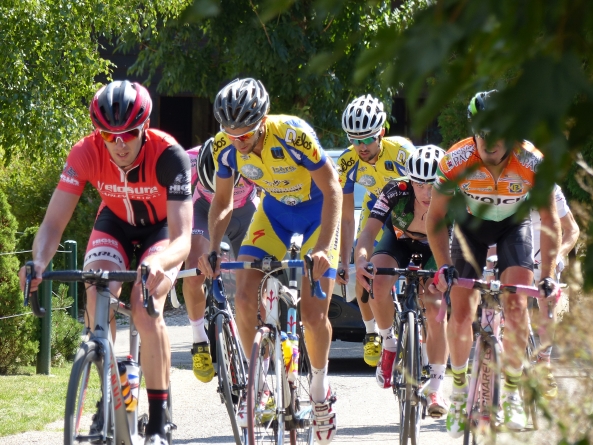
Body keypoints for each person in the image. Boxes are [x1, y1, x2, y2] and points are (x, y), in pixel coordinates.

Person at [18, 80, 192, 445]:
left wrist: (160, 261)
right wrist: (37, 262)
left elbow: (181, 237)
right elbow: (53, 223)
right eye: (109, 135)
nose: (120, 143)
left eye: (129, 133)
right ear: (98, 134)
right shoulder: (84, 152)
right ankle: (109, 394)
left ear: (144, 128)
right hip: (113, 222)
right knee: (97, 294)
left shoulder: (169, 155)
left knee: (145, 307)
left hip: (161, 231)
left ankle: (159, 420)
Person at [197, 78, 342, 445]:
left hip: (316, 216)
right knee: (244, 295)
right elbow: (223, 201)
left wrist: (324, 246)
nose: (238, 140)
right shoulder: (224, 148)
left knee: (312, 313)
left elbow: (332, 188)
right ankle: (258, 384)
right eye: (231, 133)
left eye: (245, 133)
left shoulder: (292, 133)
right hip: (275, 217)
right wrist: (213, 248)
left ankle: (320, 390)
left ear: (263, 120)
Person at [427, 90, 561, 436]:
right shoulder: (457, 159)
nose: (489, 141)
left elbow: (550, 221)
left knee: (516, 306)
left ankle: (513, 393)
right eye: (483, 131)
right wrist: (444, 266)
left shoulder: (531, 161)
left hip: (513, 227)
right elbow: (436, 217)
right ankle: (458, 393)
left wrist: (546, 276)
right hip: (470, 227)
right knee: (459, 312)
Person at [354, 145, 450, 416]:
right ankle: (389, 344)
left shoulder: (453, 196)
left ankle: (436, 386)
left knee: (434, 303)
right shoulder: (394, 190)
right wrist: (361, 260)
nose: (427, 193)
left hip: (437, 245)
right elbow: (368, 232)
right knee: (378, 282)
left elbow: (460, 242)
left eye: (434, 185)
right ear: (410, 181)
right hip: (399, 240)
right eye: (420, 185)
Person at [336, 94, 414, 367]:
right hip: (374, 210)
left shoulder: (402, 151)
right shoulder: (346, 162)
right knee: (363, 265)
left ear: (381, 133)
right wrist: (345, 258)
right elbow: (346, 216)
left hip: (407, 210)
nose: (360, 146)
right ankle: (371, 333)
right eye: (354, 140)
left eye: (367, 139)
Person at [184, 138, 259, 383]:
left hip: (244, 210)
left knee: (258, 274)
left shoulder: (251, 159)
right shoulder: (189, 161)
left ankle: (259, 332)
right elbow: (173, 204)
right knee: (194, 271)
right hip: (204, 211)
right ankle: (199, 341)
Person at [530, 184, 579, 397]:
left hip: (545, 260)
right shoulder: (506, 182)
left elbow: (572, 229)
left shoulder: (551, 188)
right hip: (515, 255)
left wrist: (559, 256)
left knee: (548, 305)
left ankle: (545, 364)